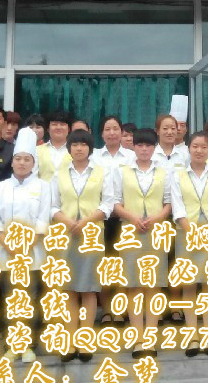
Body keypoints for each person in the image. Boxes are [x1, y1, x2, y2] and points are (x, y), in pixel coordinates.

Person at [51, 130, 114, 364]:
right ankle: (69, 341)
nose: (79, 148)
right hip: (65, 234)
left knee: (88, 287)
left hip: (91, 234)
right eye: (75, 145)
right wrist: (68, 222)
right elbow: (52, 205)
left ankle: (85, 340)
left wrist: (86, 221)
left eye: (83, 144)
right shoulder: (59, 174)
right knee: (68, 289)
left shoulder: (102, 172)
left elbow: (108, 203)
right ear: (69, 149)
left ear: (90, 148)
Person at [0, 127, 51, 363]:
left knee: (31, 298)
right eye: (18, 159)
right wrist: (8, 245)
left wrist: (25, 247)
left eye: (27, 159)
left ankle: (29, 345)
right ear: (12, 162)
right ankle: (12, 345)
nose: (22, 163)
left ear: (33, 163)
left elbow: (43, 220)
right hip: (6, 252)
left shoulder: (43, 187)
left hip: (33, 252)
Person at [112, 128, 172, 359]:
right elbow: (115, 202)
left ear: (154, 148)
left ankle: (151, 338)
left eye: (148, 145)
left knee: (154, 285)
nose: (144, 149)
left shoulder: (164, 171)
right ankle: (138, 339)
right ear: (133, 147)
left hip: (157, 231)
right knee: (134, 286)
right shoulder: (122, 171)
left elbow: (169, 202)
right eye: (140, 145)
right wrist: (133, 218)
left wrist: (155, 219)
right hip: (131, 231)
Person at [171, 132, 208, 357]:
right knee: (190, 284)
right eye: (195, 146)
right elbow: (177, 205)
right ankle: (192, 336)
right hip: (186, 232)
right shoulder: (178, 175)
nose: (199, 150)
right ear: (189, 149)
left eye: (204, 147)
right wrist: (190, 230)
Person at [91, 115, 134, 327]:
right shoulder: (94, 157)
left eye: (115, 128)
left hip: (126, 218)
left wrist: (124, 209)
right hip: (101, 218)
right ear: (101, 133)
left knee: (125, 264)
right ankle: (107, 309)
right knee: (106, 265)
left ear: (121, 131)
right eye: (107, 129)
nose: (112, 133)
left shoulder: (131, 156)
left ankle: (121, 310)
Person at [37, 111, 73, 186]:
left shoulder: (75, 151)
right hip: (42, 192)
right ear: (48, 129)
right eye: (54, 124)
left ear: (69, 129)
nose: (58, 127)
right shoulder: (37, 150)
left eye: (62, 124)